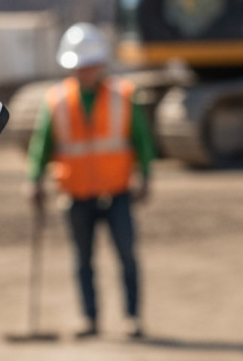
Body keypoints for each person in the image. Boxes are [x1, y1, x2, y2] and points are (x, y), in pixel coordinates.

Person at [26, 22, 155, 339]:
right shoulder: (56, 100)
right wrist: (34, 179)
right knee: (83, 259)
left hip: (117, 192)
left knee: (126, 255)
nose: (85, 72)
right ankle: (90, 319)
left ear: (100, 64)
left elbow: (142, 140)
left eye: (90, 65)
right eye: (80, 66)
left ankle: (132, 317)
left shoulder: (123, 95)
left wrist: (146, 176)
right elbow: (42, 144)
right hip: (76, 194)